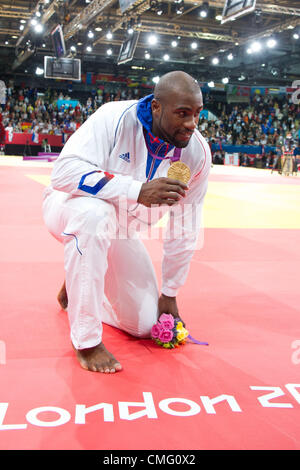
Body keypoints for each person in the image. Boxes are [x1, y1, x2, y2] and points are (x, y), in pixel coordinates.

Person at [43, 71, 211, 373]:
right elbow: (63, 173)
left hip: (118, 232)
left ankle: (80, 279)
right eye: (182, 113)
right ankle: (86, 341)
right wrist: (136, 190)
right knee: (95, 214)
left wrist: (170, 293)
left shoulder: (196, 153)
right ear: (157, 107)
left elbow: (186, 223)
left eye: (197, 113)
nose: (192, 123)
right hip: (68, 209)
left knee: (145, 324)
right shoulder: (114, 118)